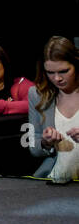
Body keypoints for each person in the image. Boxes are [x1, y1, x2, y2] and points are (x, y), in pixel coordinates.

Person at [27, 35, 79, 182]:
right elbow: (33, 147)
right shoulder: (37, 95)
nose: (57, 78)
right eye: (50, 72)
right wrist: (45, 142)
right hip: (55, 180)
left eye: (63, 71)